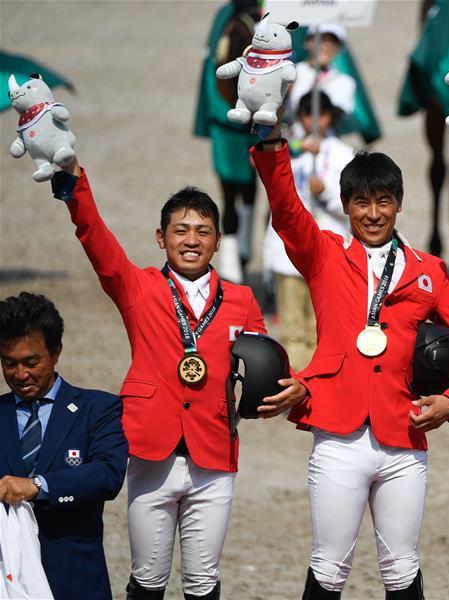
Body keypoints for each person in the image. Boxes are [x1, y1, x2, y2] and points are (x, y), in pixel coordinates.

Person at [48, 153, 307, 600]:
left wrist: (294, 387)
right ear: (161, 237)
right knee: (148, 578)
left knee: (203, 581)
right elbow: (98, 243)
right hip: (152, 450)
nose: (192, 240)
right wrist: (75, 184)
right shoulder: (139, 287)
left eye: (203, 231)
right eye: (181, 230)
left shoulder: (242, 300)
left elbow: (266, 361)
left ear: (218, 240)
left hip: (214, 451)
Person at [252, 122, 449, 598]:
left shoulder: (430, 271)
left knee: (402, 569)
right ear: (345, 207)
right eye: (362, 202)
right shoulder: (323, 253)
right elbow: (285, 209)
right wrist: (273, 144)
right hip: (338, 436)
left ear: (400, 203)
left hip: (403, 435)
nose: (374, 213)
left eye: (384, 201)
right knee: (328, 567)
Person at [0, 291, 128, 600]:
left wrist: (38, 486)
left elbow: (107, 475)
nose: (20, 375)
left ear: (56, 352)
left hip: (73, 580)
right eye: (9, 364)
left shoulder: (98, 409)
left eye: (31, 362)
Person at [264, 91, 353, 368]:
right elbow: (266, 171)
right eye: (308, 115)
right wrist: (300, 146)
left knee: (322, 329)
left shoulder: (344, 154)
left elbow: (353, 209)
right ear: (300, 117)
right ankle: (297, 390)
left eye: (322, 115)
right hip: (288, 254)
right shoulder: (287, 149)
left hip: (328, 252)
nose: (315, 120)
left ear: (330, 117)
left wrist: (326, 192)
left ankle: (319, 389)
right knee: (292, 330)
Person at [194, 0, 263, 284]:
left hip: (261, 117)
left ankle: (245, 249)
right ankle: (233, 253)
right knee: (229, 193)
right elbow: (213, 61)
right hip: (227, 117)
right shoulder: (225, 15)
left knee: (253, 189)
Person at [286, 23, 357, 127]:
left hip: (324, 140)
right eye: (322, 39)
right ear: (307, 42)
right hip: (289, 138)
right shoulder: (290, 72)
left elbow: (335, 115)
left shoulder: (344, 81)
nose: (327, 46)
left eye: (333, 42)